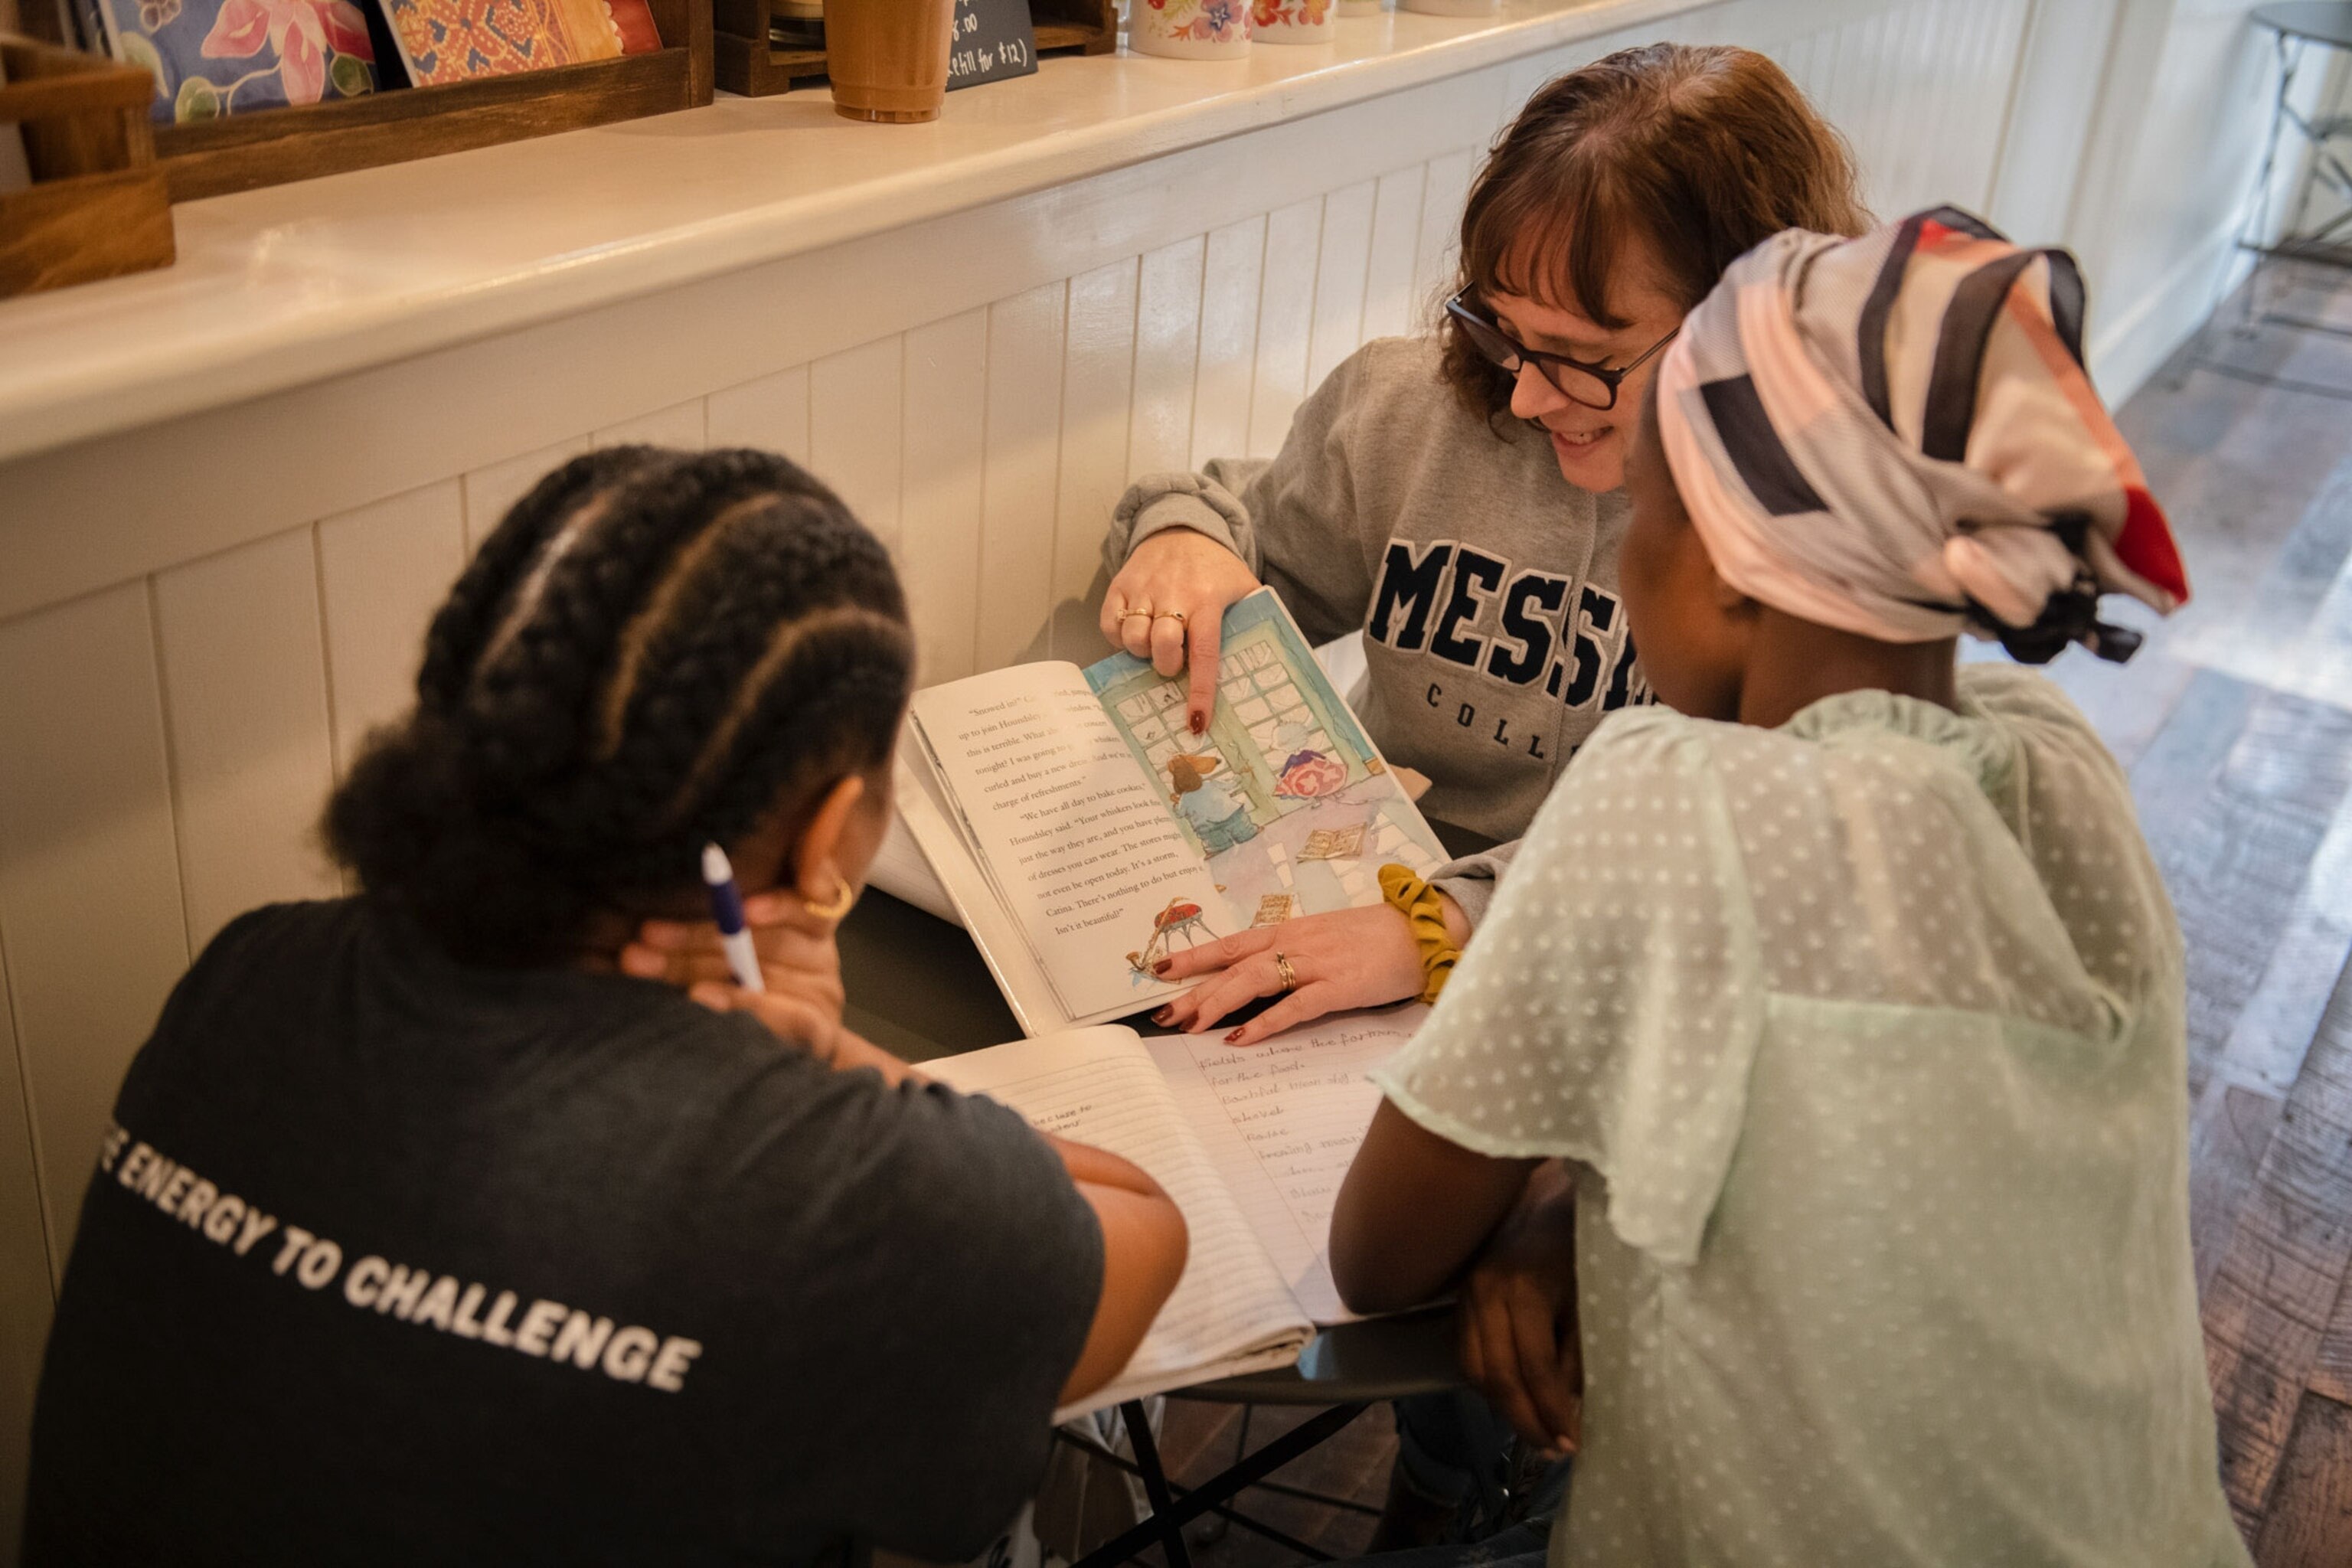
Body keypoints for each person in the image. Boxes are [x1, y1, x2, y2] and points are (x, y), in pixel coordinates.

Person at [24, 447, 1188, 1566]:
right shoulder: (832, 1188)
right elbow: (1147, 1228)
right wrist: (824, 1054)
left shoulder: (246, 972)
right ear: (830, 834)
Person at [1328, 209, 2248, 1566]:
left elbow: (1378, 1257)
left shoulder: (1667, 795)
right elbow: (1882, 1143)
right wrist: (1581, 1206)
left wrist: (1543, 1205)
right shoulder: (2068, 779)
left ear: (1729, 570)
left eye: (1644, 508)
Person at [1109, 43, 1870, 1050]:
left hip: (1656, 986)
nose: (1526, 394)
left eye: (1589, 360)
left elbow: (1769, 845)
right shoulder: (1406, 410)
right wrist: (1185, 539)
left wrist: (1446, 923)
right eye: (1504, 332)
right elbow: (1245, 538)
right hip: (1368, 927)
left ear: (1756, 329)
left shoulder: (1837, 527)